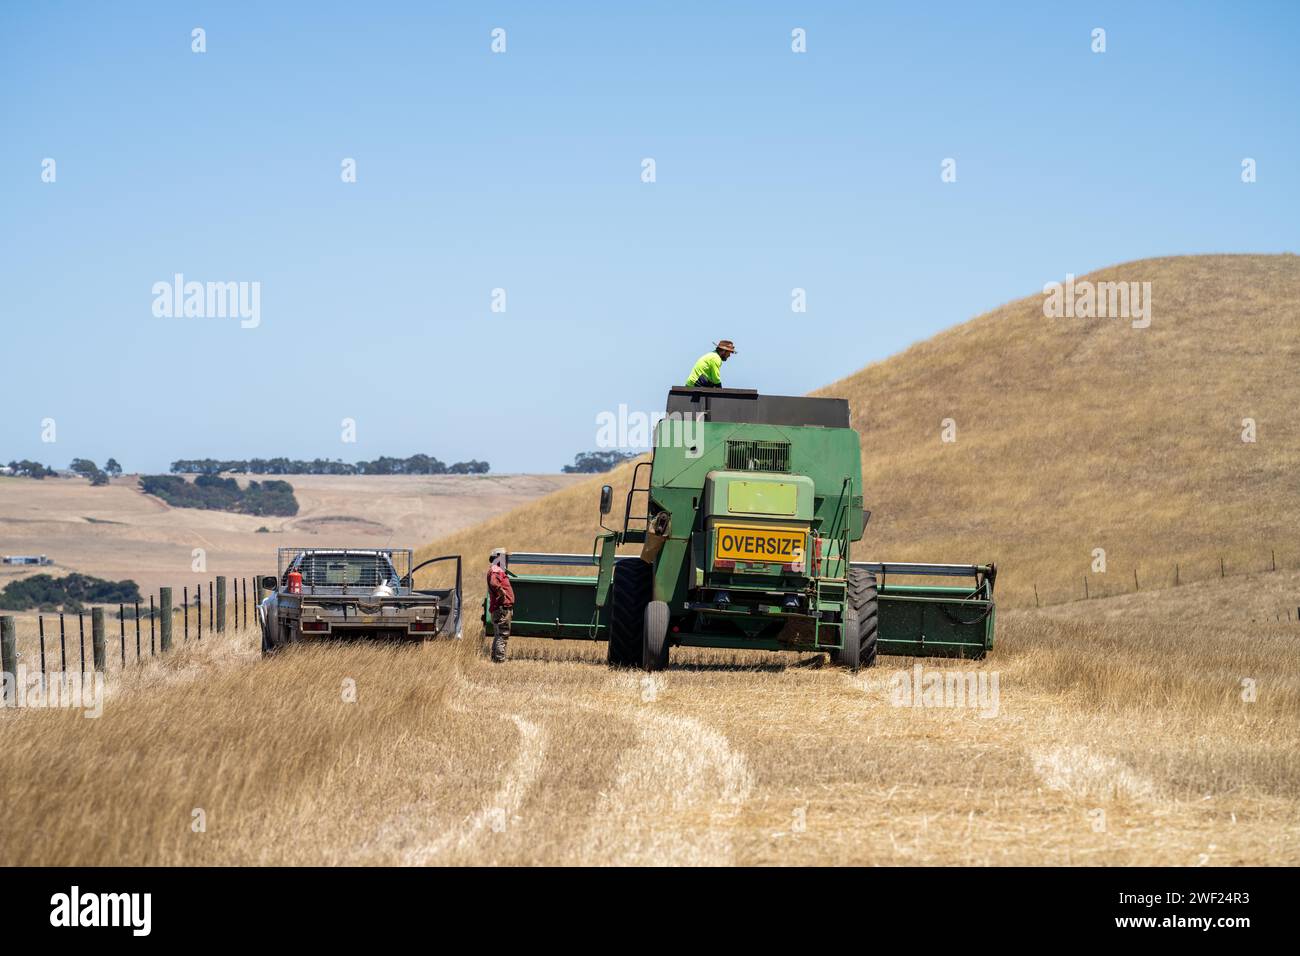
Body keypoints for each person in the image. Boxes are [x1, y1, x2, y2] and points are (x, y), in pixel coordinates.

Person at [486, 548, 515, 662]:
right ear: (499, 557)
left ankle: (495, 659)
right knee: (503, 635)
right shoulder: (496, 569)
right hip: (502, 609)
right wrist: (502, 594)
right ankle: (499, 660)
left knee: (498, 635)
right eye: (505, 557)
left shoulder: (495, 569)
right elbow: (494, 583)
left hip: (498, 608)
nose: (506, 560)